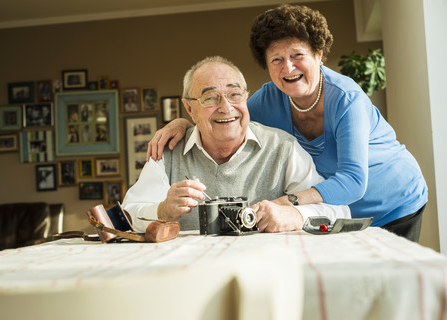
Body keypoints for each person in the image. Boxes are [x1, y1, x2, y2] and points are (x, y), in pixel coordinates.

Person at [146, 4, 427, 242]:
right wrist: (184, 123)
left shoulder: (346, 98)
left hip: (394, 202)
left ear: (318, 55)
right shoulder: (267, 100)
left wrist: (286, 202)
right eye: (277, 60)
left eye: (297, 56)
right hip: (339, 213)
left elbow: (353, 182)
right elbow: (226, 117)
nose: (288, 68)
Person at [122, 56, 350, 233]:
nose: (226, 107)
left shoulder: (283, 148)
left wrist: (295, 216)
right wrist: (162, 210)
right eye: (210, 98)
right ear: (190, 109)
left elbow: (339, 212)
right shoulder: (168, 151)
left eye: (235, 94)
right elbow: (126, 218)